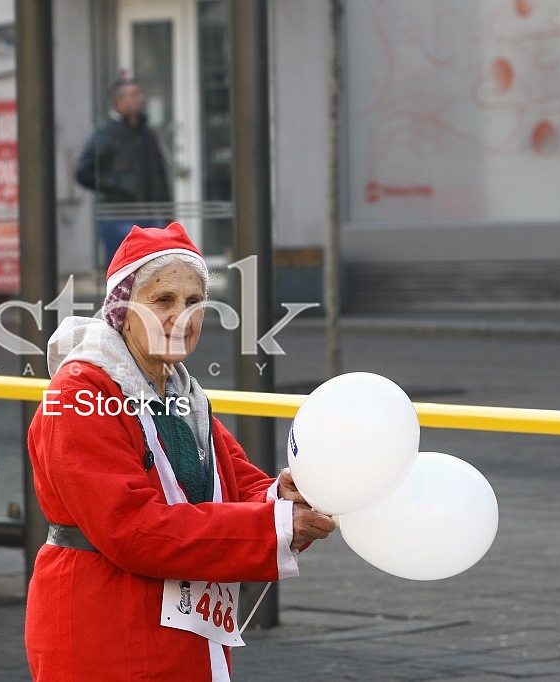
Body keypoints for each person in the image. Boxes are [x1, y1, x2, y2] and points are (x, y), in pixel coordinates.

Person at [25, 223, 337, 680]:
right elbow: (130, 528)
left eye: (195, 302)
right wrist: (274, 524)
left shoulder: (179, 391)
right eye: (163, 300)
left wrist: (280, 498)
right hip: (105, 621)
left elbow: (234, 480)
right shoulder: (80, 393)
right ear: (121, 310)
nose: (182, 316)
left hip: (180, 626)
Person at [75, 79, 173, 264]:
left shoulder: (147, 134)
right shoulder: (104, 134)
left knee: (155, 270)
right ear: (119, 102)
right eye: (134, 94)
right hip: (118, 215)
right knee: (123, 272)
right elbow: (83, 172)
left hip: (148, 215)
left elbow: (159, 176)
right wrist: (118, 184)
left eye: (141, 93)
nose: (141, 98)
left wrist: (168, 214)